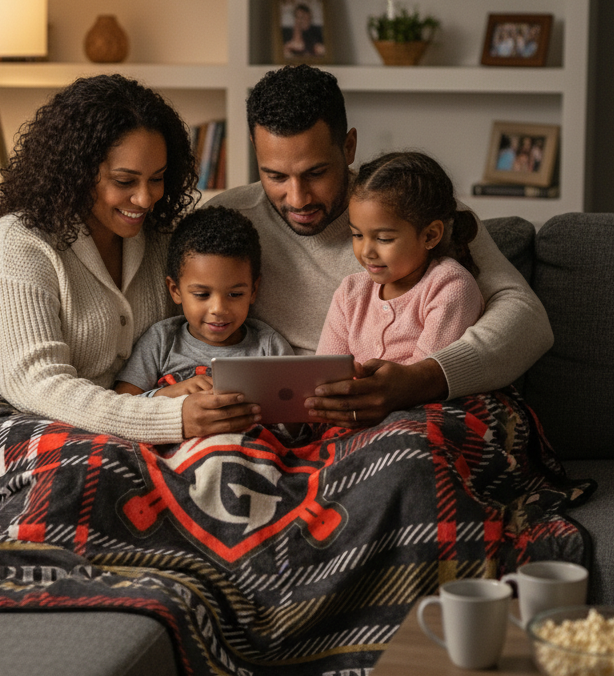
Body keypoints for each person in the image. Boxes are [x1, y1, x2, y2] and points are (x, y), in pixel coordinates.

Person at [206, 64, 552, 428]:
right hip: (290, 424)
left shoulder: (415, 209)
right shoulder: (227, 221)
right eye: (275, 176)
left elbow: (528, 320)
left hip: (414, 413)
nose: (298, 198)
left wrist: (423, 379)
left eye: (316, 173)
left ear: (349, 146)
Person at [0, 75, 259, 442]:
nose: (145, 199)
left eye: (157, 178)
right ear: (76, 173)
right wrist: (167, 416)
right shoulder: (19, 241)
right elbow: (34, 384)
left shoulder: (164, 242)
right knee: (96, 470)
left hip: (106, 423)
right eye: (125, 181)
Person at [316, 151, 484, 364]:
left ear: (430, 235)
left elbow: (424, 376)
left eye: (384, 239)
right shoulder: (350, 293)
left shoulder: (449, 287)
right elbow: (325, 369)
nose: (366, 251)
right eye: (357, 235)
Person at [113, 205, 293, 397]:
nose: (218, 309)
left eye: (235, 294)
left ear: (253, 290)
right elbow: (124, 401)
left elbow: (295, 404)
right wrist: (170, 395)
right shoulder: (161, 341)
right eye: (202, 294)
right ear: (175, 290)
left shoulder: (268, 347)